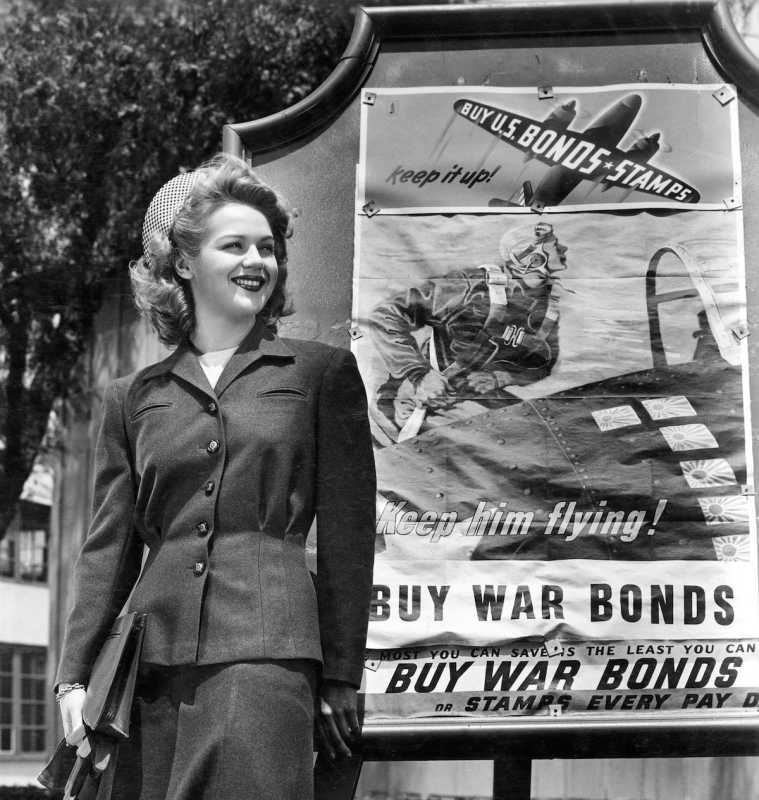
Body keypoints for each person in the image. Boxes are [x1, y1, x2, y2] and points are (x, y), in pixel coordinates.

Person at [54, 154, 376, 799]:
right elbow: (109, 546)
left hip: (267, 649)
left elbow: (348, 537)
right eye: (234, 245)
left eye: (268, 247)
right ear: (183, 262)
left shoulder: (320, 375)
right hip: (145, 664)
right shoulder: (132, 396)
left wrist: (341, 673)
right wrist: (75, 676)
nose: (257, 260)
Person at [368, 221, 568, 441]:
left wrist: (501, 377)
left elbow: (543, 362)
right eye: (553, 246)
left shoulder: (545, 308)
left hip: (474, 396)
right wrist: (420, 374)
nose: (562, 251)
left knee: (545, 433)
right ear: (531, 258)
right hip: (419, 395)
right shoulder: (470, 287)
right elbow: (386, 315)